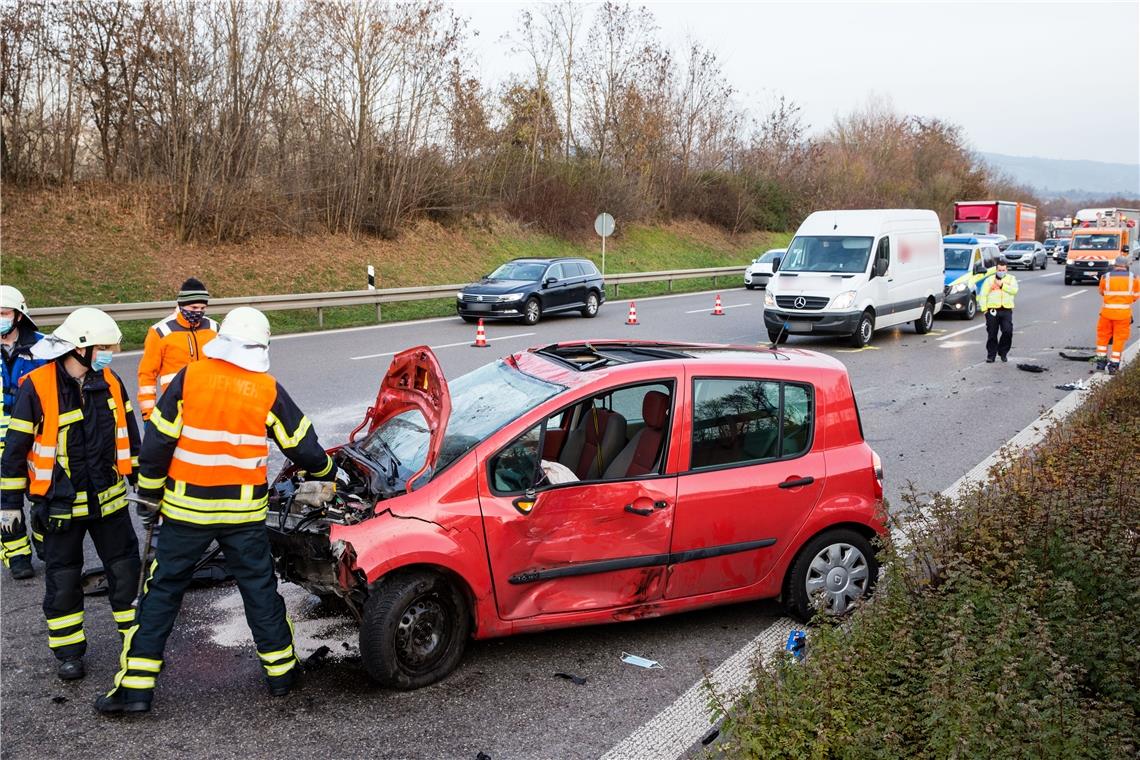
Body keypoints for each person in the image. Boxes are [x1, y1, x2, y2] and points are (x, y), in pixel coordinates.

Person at [96, 307, 334, 715]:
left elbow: (157, 444)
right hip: (242, 515)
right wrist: (328, 471)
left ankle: (135, 688)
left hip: (187, 511)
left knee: (163, 591)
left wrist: (151, 496)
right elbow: (302, 444)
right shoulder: (266, 387)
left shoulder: (192, 377)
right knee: (258, 589)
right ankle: (281, 674)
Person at [0, 308, 141, 681]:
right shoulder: (38, 385)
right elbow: (15, 451)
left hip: (109, 502)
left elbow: (130, 434)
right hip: (59, 506)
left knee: (127, 573)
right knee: (63, 582)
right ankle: (68, 652)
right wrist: (10, 506)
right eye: (104, 347)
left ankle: (136, 643)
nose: (110, 353)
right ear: (80, 348)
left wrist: (145, 481)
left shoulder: (109, 380)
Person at [0, 285, 47, 579]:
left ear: (18, 315)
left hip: (36, 440)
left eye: (3, 313)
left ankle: (47, 546)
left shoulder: (43, 348)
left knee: (42, 497)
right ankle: (17, 555)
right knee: (7, 503)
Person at [137, 277, 218, 421]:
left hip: (211, 407)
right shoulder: (160, 332)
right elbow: (147, 375)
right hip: (175, 410)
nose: (198, 312)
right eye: (194, 308)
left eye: (203, 308)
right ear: (181, 305)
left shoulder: (215, 329)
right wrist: (148, 414)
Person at [1095, 256, 1140, 374]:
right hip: (1123, 314)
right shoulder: (1134, 278)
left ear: (1115, 265)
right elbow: (1136, 295)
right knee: (1119, 339)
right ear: (1126, 265)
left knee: (1103, 337)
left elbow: (1101, 292)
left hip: (1106, 314)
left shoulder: (1106, 277)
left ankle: (1100, 363)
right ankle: (1114, 365)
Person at [975, 259, 1018, 363]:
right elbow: (983, 295)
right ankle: (991, 355)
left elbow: (1014, 291)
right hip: (992, 310)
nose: (1001, 272)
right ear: (996, 269)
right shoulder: (989, 280)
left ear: (1006, 269)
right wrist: (985, 310)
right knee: (992, 333)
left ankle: (1003, 352)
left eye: (1003, 270)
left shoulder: (1011, 279)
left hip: (1006, 309)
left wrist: (1002, 285)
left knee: (1007, 331)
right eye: (999, 269)